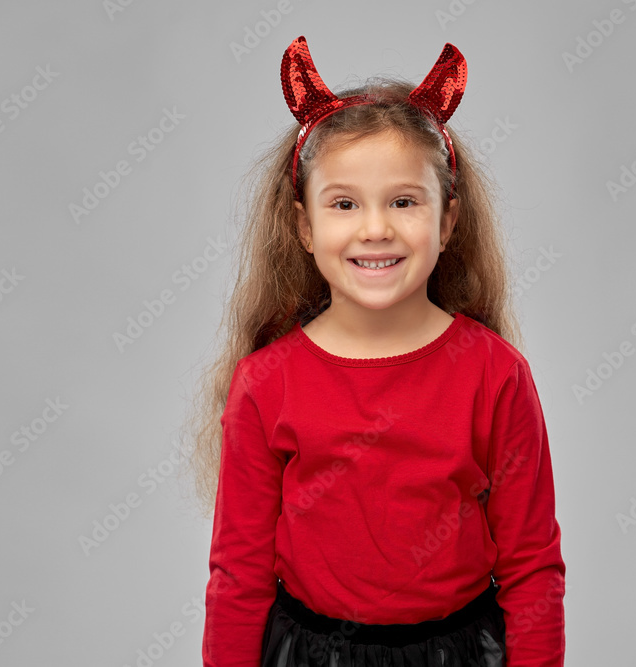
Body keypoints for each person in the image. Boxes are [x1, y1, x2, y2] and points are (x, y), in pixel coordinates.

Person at [189, 35, 566, 667]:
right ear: (304, 227)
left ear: (446, 222)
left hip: (460, 654)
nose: (375, 228)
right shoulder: (266, 382)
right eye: (343, 203)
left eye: (403, 201)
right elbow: (240, 575)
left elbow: (532, 568)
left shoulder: (496, 375)